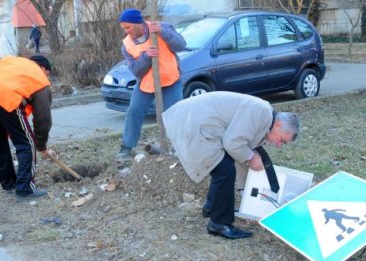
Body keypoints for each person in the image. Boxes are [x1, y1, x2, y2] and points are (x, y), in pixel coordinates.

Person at [163, 91, 300, 239]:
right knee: (224, 170)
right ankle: (219, 223)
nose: (279, 145)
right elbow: (233, 144)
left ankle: (212, 207)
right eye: (282, 140)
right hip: (192, 123)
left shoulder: (264, 120)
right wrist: (251, 156)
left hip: (197, 122)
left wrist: (246, 202)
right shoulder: (261, 112)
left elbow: (239, 155)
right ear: (278, 125)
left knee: (224, 165)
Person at [0, 55, 53, 198]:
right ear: (43, 68)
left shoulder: (9, 60)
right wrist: (40, 144)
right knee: (27, 144)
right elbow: (43, 118)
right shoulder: (40, 78)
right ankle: (25, 189)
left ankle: (8, 184)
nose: (47, 77)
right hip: (5, 98)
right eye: (48, 73)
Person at [116, 8, 186, 160]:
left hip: (170, 80)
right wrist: (146, 56)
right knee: (134, 112)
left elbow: (181, 45)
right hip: (146, 84)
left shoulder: (161, 27)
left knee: (176, 114)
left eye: (128, 27)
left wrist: (162, 32)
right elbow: (137, 71)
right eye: (124, 28)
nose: (126, 31)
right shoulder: (126, 44)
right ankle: (126, 148)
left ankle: (180, 147)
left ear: (138, 23)